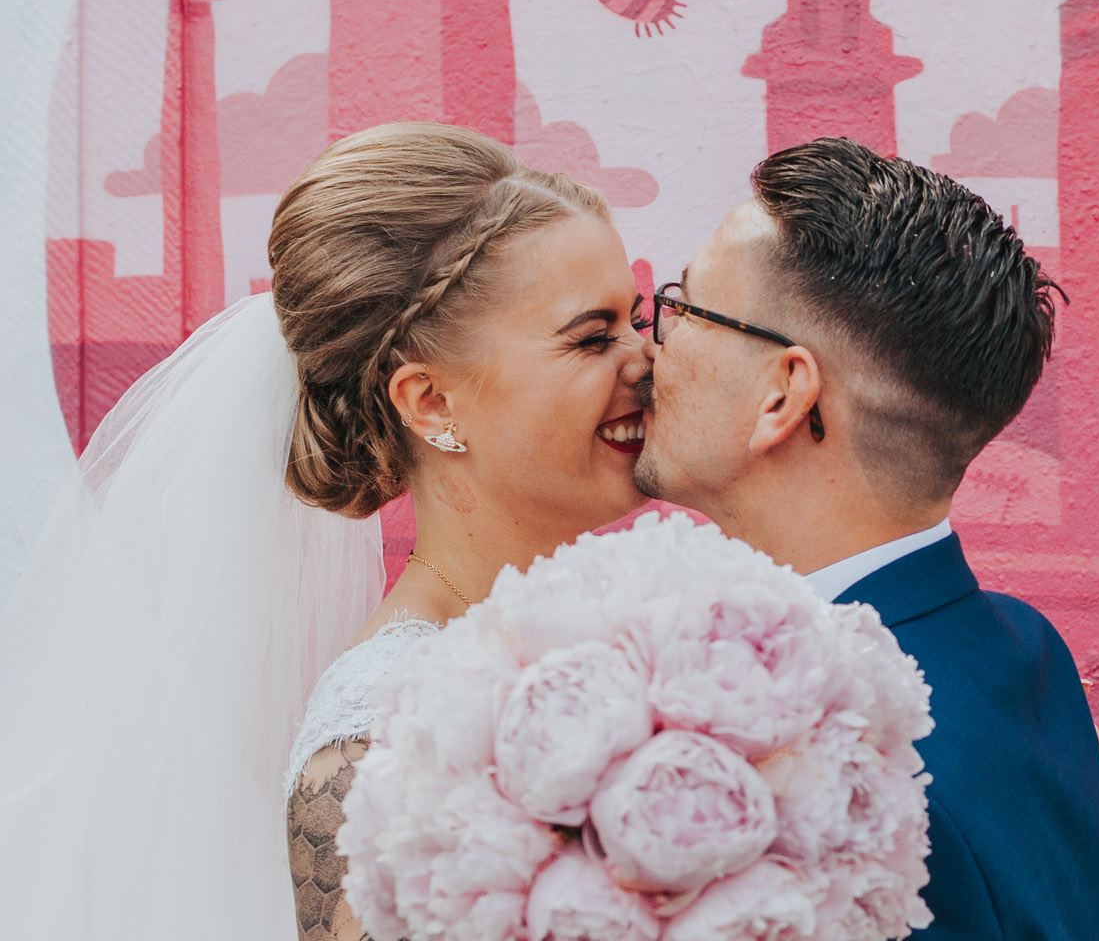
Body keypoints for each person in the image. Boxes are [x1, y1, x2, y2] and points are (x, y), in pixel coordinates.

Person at [0, 122, 650, 941]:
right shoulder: (378, 741)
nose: (645, 361)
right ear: (431, 403)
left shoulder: (658, 633)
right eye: (594, 337)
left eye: (638, 319)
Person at [631, 136, 1099, 941]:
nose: (651, 346)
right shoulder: (1027, 647)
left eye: (683, 309)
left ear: (782, 394)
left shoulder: (836, 781)